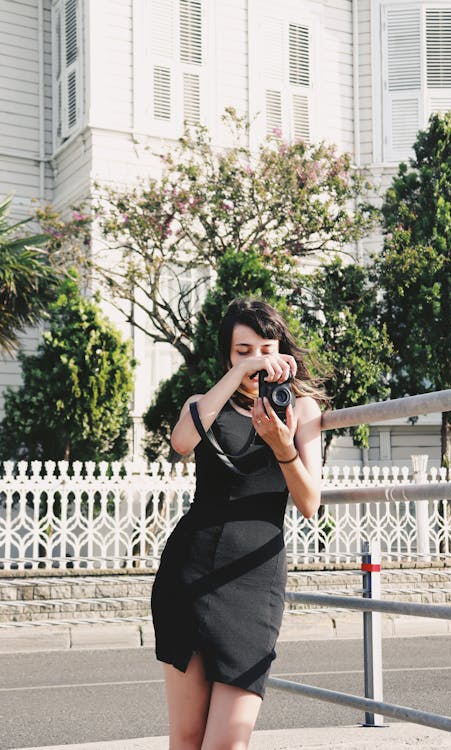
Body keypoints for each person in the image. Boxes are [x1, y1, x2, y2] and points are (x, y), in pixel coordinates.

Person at [151, 298, 324, 750]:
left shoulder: (301, 411)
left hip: (254, 581)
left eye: (267, 348)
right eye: (243, 350)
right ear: (227, 355)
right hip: (188, 574)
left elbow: (309, 503)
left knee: (228, 742)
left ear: (284, 352)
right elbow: (182, 442)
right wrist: (235, 379)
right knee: (187, 738)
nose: (258, 360)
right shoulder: (203, 404)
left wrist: (282, 445)